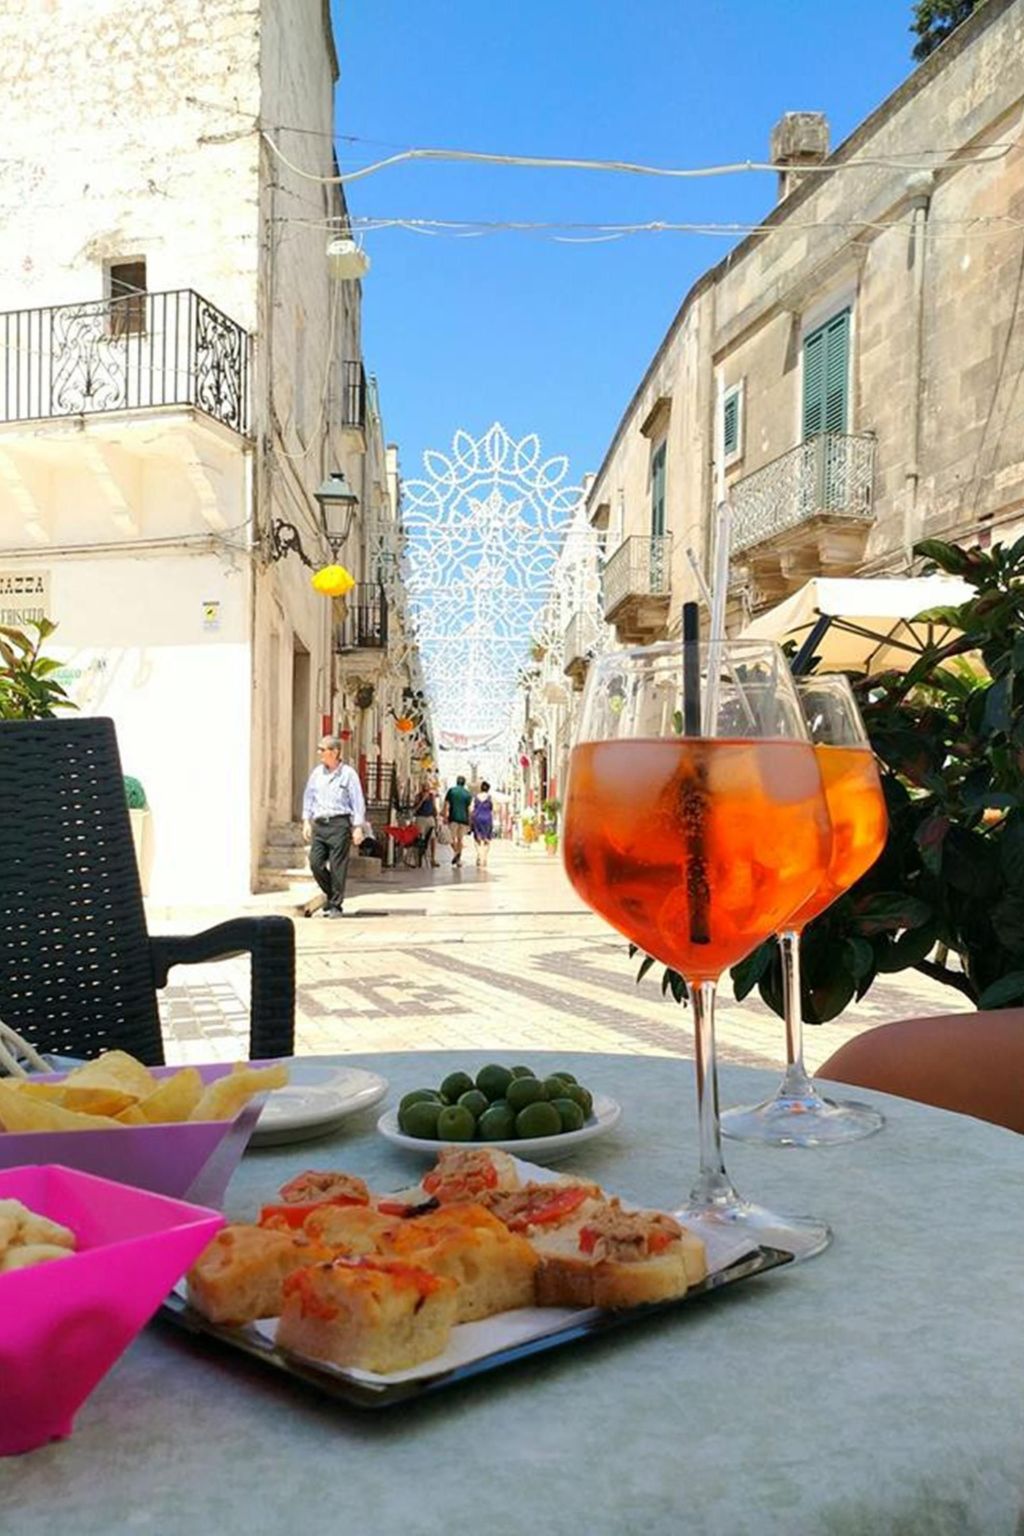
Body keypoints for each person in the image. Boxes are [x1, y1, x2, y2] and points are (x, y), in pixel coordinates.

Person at [301, 735, 366, 918]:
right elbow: (309, 797)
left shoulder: (348, 774)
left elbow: (357, 800)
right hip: (320, 825)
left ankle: (336, 905)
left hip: (339, 823)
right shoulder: (317, 774)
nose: (319, 753)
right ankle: (331, 895)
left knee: (338, 866)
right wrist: (306, 820)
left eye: (323, 749)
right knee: (315, 863)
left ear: (335, 752)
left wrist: (357, 826)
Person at [442, 774, 473, 867]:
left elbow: (446, 804)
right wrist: (470, 820)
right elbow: (469, 809)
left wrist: (444, 815)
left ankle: (456, 853)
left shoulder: (451, 791)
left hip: (453, 817)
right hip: (463, 819)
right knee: (460, 839)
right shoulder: (467, 794)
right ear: (464, 783)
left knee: (451, 838)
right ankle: (458, 858)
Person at [412, 779, 440, 868]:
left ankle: (433, 858)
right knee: (419, 838)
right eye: (424, 786)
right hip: (420, 819)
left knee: (432, 838)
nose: (426, 788)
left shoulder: (432, 796)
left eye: (427, 786)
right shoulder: (418, 796)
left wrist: (436, 818)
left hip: (430, 818)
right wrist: (422, 800)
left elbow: (434, 808)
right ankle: (418, 859)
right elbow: (415, 809)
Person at [470, 780, 495, 867]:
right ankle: (484, 857)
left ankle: (479, 855)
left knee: (477, 839)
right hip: (487, 818)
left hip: (477, 818)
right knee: (487, 840)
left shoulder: (476, 797)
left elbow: (472, 809)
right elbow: (492, 809)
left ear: (480, 788)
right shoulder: (490, 798)